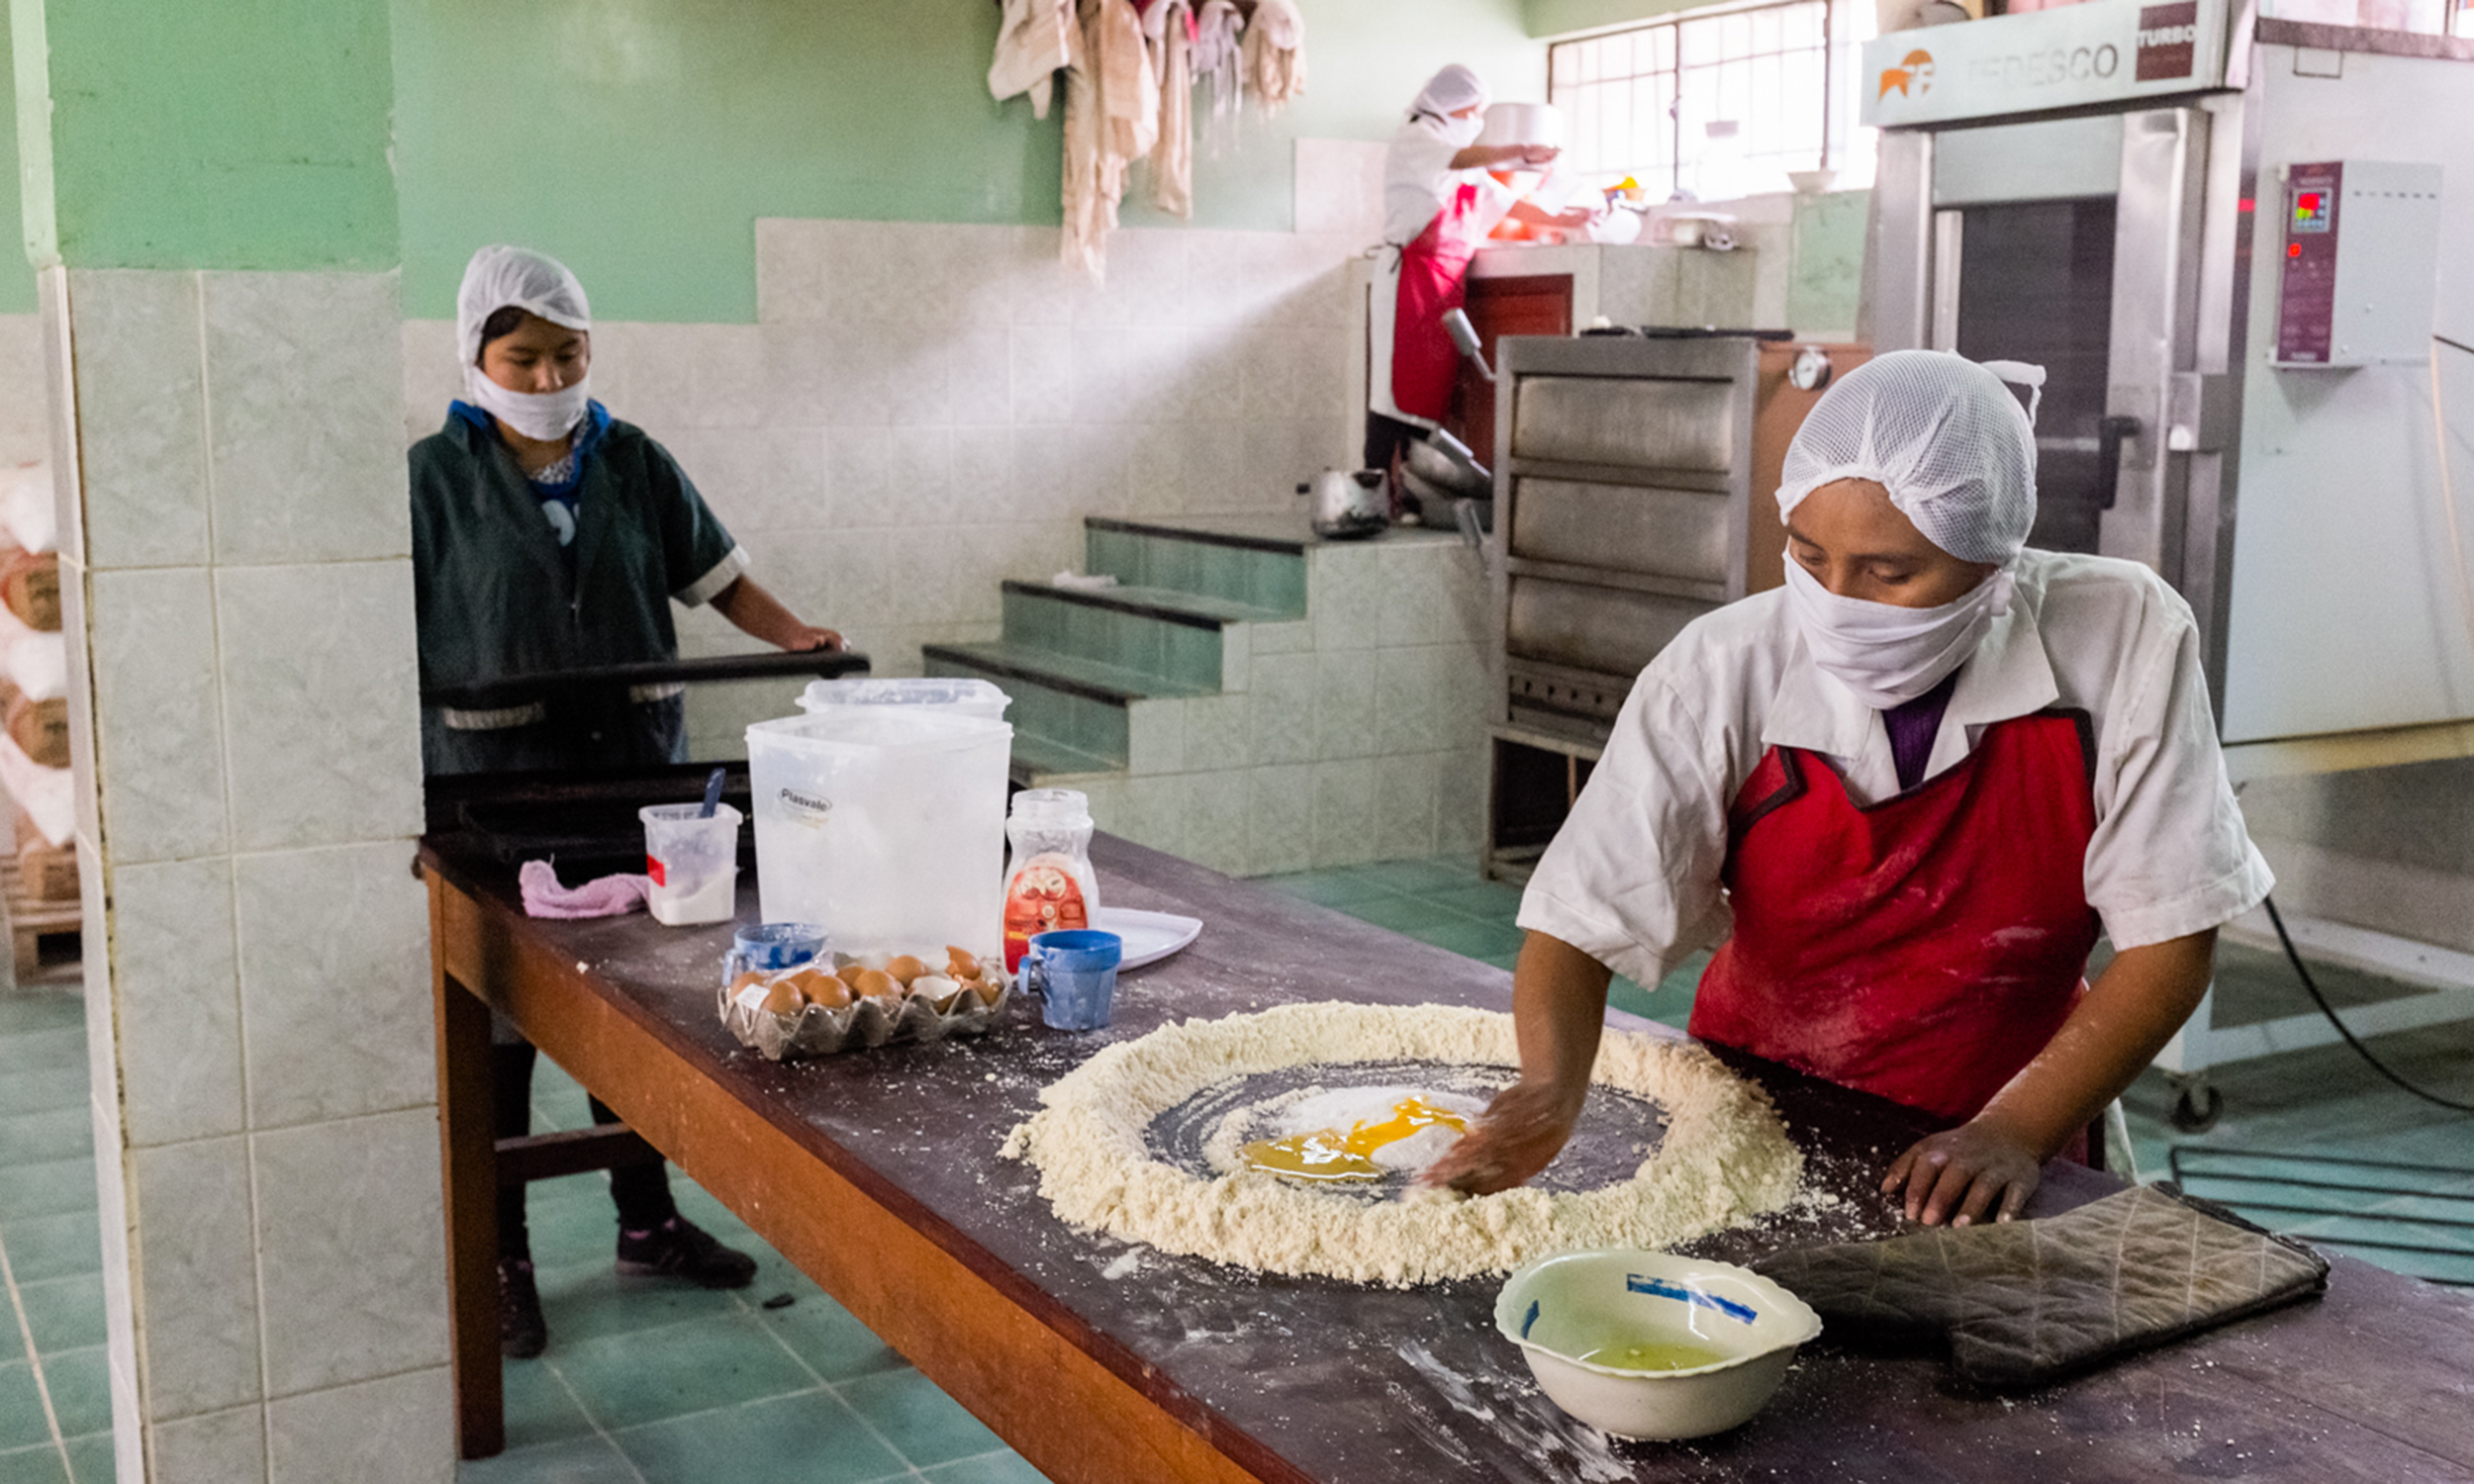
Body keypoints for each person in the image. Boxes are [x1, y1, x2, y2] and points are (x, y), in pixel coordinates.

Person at [1424, 351, 2273, 1227]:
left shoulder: (2119, 637)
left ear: (1992, 559)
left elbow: (2172, 941)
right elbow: (1579, 920)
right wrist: (1552, 1090)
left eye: (1890, 573)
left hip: (2024, 1113)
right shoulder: (1725, 665)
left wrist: (2014, 1132)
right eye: (1809, 554)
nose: (1838, 601)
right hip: (1756, 1097)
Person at [412, 245, 844, 1357]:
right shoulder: (429, 480)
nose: (548, 376)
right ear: (475, 357)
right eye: (524, 356)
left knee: (630, 1007)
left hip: (633, 777)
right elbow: (381, 624)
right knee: (504, 1023)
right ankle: (498, 1255)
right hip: (495, 788)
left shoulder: (633, 460)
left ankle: (646, 1224)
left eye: (568, 354)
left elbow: (717, 574)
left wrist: (792, 634)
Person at [1366, 64, 1600, 480]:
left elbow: (1507, 203)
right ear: (1448, 106)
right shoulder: (1417, 138)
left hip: (1442, 284)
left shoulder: (1465, 163)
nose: (1475, 121)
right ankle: (1374, 488)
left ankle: (1416, 492)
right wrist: (1517, 150)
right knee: (1393, 393)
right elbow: (1456, 159)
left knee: (1427, 393)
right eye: (1471, 112)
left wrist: (1569, 219)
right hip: (1407, 279)